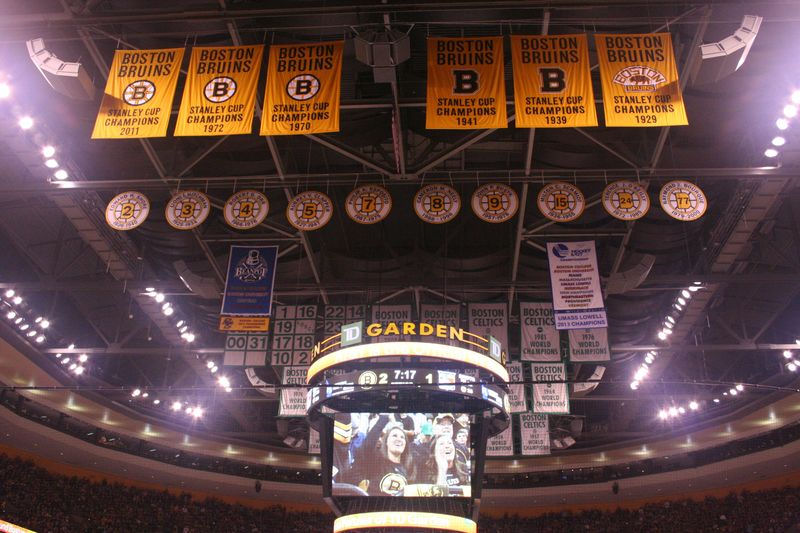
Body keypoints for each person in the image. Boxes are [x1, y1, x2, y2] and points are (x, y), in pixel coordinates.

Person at [349, 416, 415, 496]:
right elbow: (368, 445)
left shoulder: (408, 468)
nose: (399, 439)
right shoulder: (376, 461)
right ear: (386, 442)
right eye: (394, 435)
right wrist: (385, 417)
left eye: (402, 437)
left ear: (406, 444)